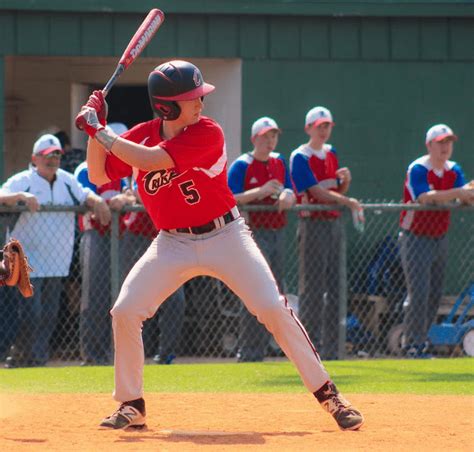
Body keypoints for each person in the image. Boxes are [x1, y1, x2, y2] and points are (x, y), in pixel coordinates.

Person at [75, 60, 363, 431]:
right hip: (172, 242)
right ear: (166, 106)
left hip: (226, 236)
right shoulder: (140, 134)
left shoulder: (207, 132)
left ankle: (330, 395)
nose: (201, 102)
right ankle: (132, 403)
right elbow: (99, 173)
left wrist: (100, 130)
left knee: (272, 308)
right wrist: (92, 128)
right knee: (126, 311)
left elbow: (148, 160)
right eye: (192, 98)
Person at [0, 133, 110, 367]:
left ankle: (37, 359)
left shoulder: (67, 180)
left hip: (57, 260)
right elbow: (1, 195)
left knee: (49, 313)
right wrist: (19, 196)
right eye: (48, 156)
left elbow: (84, 193)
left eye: (58, 155)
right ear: (35, 158)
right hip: (26, 261)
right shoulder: (23, 180)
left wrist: (97, 201)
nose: (53, 160)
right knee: (30, 313)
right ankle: (21, 357)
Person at [290, 106, 362, 360]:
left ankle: (332, 350)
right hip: (313, 226)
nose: (323, 130)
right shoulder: (300, 155)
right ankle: (308, 349)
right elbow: (317, 193)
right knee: (312, 290)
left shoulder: (331, 153)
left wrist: (346, 183)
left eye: (327, 125)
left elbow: (334, 192)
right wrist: (349, 201)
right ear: (308, 128)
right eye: (318, 126)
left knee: (334, 289)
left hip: (333, 224)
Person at [399, 123, 474, 358]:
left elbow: (464, 195)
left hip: (439, 237)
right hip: (415, 237)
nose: (445, 147)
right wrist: (459, 193)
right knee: (418, 292)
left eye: (448, 142)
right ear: (429, 145)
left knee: (434, 294)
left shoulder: (453, 169)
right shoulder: (419, 168)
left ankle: (422, 341)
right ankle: (410, 343)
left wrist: (468, 194)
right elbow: (424, 197)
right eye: (440, 142)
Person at [228, 116, 295, 362]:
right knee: (254, 291)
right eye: (266, 136)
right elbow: (229, 198)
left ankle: (274, 347)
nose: (270, 141)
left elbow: (290, 188)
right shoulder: (242, 165)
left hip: (277, 232)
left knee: (276, 292)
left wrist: (288, 195)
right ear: (254, 138)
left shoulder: (279, 162)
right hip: (251, 234)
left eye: (274, 136)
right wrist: (261, 191)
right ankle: (249, 351)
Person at [74, 125, 131, 366]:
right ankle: (93, 355)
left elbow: (134, 192)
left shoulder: (124, 169)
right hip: (94, 234)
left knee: (121, 299)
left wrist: (125, 198)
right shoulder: (86, 167)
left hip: (119, 235)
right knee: (94, 297)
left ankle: (116, 354)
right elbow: (81, 192)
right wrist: (99, 201)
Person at [120, 182, 186, 365]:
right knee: (132, 300)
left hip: (170, 239)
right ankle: (130, 355)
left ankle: (166, 355)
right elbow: (141, 194)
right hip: (137, 239)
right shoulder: (141, 166)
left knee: (175, 300)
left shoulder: (176, 170)